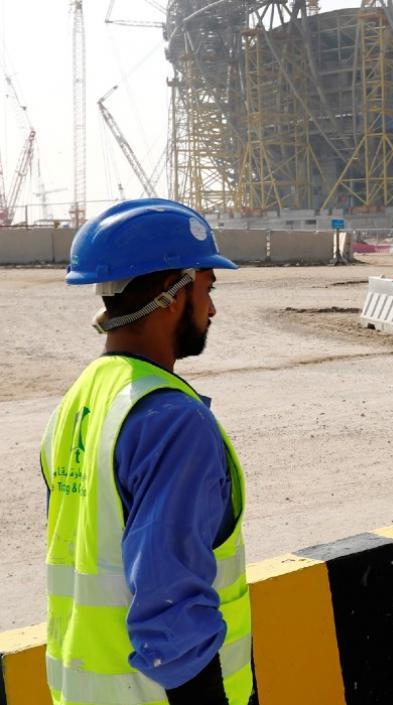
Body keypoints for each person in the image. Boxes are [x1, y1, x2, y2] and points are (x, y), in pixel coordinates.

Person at [41, 199, 253, 705]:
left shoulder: (78, 402)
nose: (211, 308)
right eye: (207, 288)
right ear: (171, 293)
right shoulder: (173, 423)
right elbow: (171, 607)